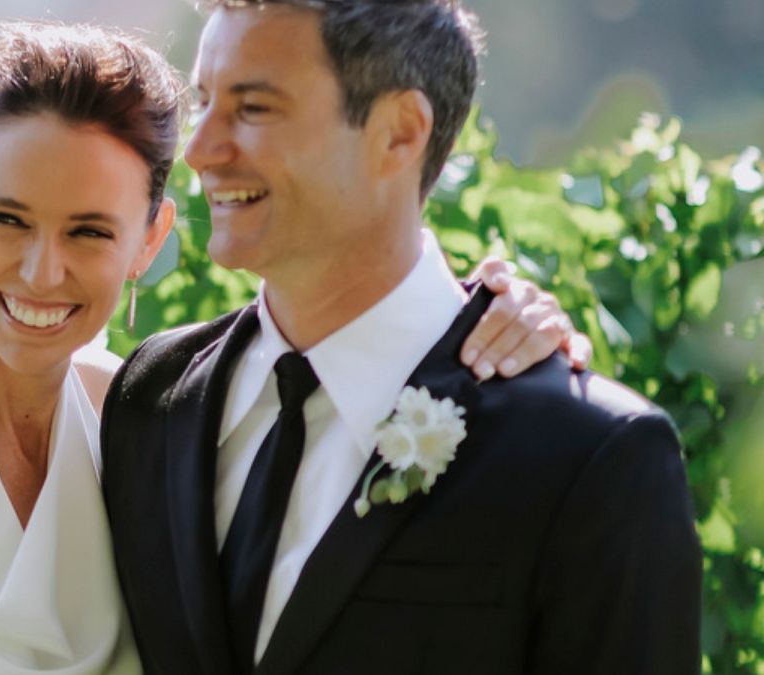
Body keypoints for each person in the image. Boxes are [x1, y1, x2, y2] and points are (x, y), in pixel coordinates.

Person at [0, 20, 583, 675]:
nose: (41, 270)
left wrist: (511, 322)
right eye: (5, 218)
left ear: (150, 237)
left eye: (89, 231)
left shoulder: (152, 422)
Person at [100, 1, 702, 674]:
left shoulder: (595, 457)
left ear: (399, 133)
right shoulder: (149, 397)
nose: (201, 149)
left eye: (253, 109)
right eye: (204, 101)